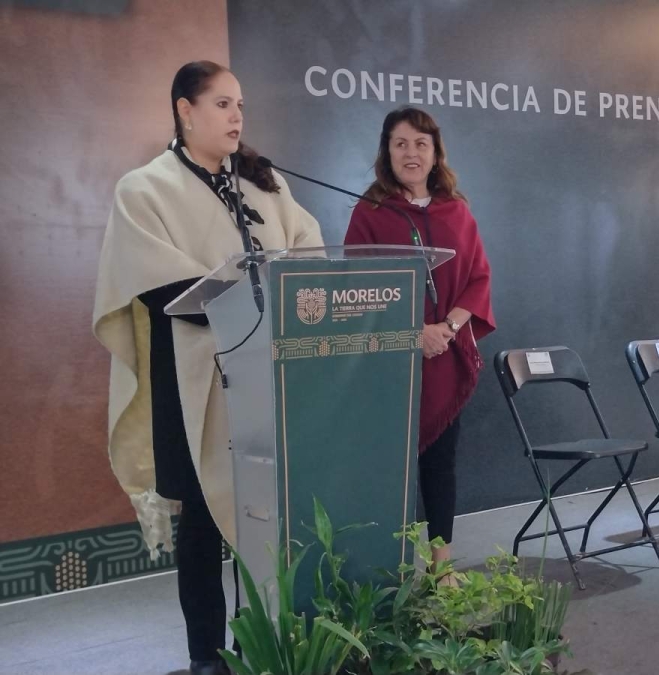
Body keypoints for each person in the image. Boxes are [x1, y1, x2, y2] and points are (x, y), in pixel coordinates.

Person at [92, 61, 323, 675]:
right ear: (184, 110)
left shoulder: (263, 184)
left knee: (267, 521)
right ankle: (206, 658)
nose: (237, 116)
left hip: (268, 377)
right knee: (201, 526)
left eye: (240, 105)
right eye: (222, 104)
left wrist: (286, 298)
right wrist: (252, 302)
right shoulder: (145, 188)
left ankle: (268, 646)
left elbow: (308, 251)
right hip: (191, 384)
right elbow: (153, 285)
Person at [344, 107, 495, 573]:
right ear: (386, 152)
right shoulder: (370, 214)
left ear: (435, 153)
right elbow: (356, 289)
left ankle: (441, 566)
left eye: (420, 144)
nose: (411, 153)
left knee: (440, 465)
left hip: (445, 358)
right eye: (400, 143)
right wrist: (413, 334)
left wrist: (446, 330)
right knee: (390, 471)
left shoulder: (457, 211)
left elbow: (478, 278)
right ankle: (388, 567)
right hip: (390, 361)